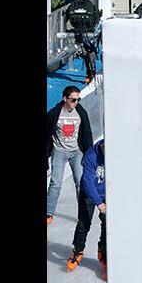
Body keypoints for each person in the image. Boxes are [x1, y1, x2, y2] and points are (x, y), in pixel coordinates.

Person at [46, 85, 95, 226]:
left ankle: (83, 212)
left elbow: (87, 134)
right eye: (73, 100)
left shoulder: (80, 112)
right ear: (65, 99)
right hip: (59, 151)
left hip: (76, 152)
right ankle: (49, 212)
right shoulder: (54, 114)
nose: (76, 103)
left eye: (78, 99)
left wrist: (89, 154)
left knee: (80, 182)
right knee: (56, 182)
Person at [67, 139, 107, 277]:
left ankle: (104, 252)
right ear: (102, 146)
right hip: (89, 194)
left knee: (107, 224)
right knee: (84, 223)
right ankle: (77, 250)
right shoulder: (91, 156)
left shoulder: (116, 154)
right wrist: (99, 203)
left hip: (107, 194)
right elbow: (88, 182)